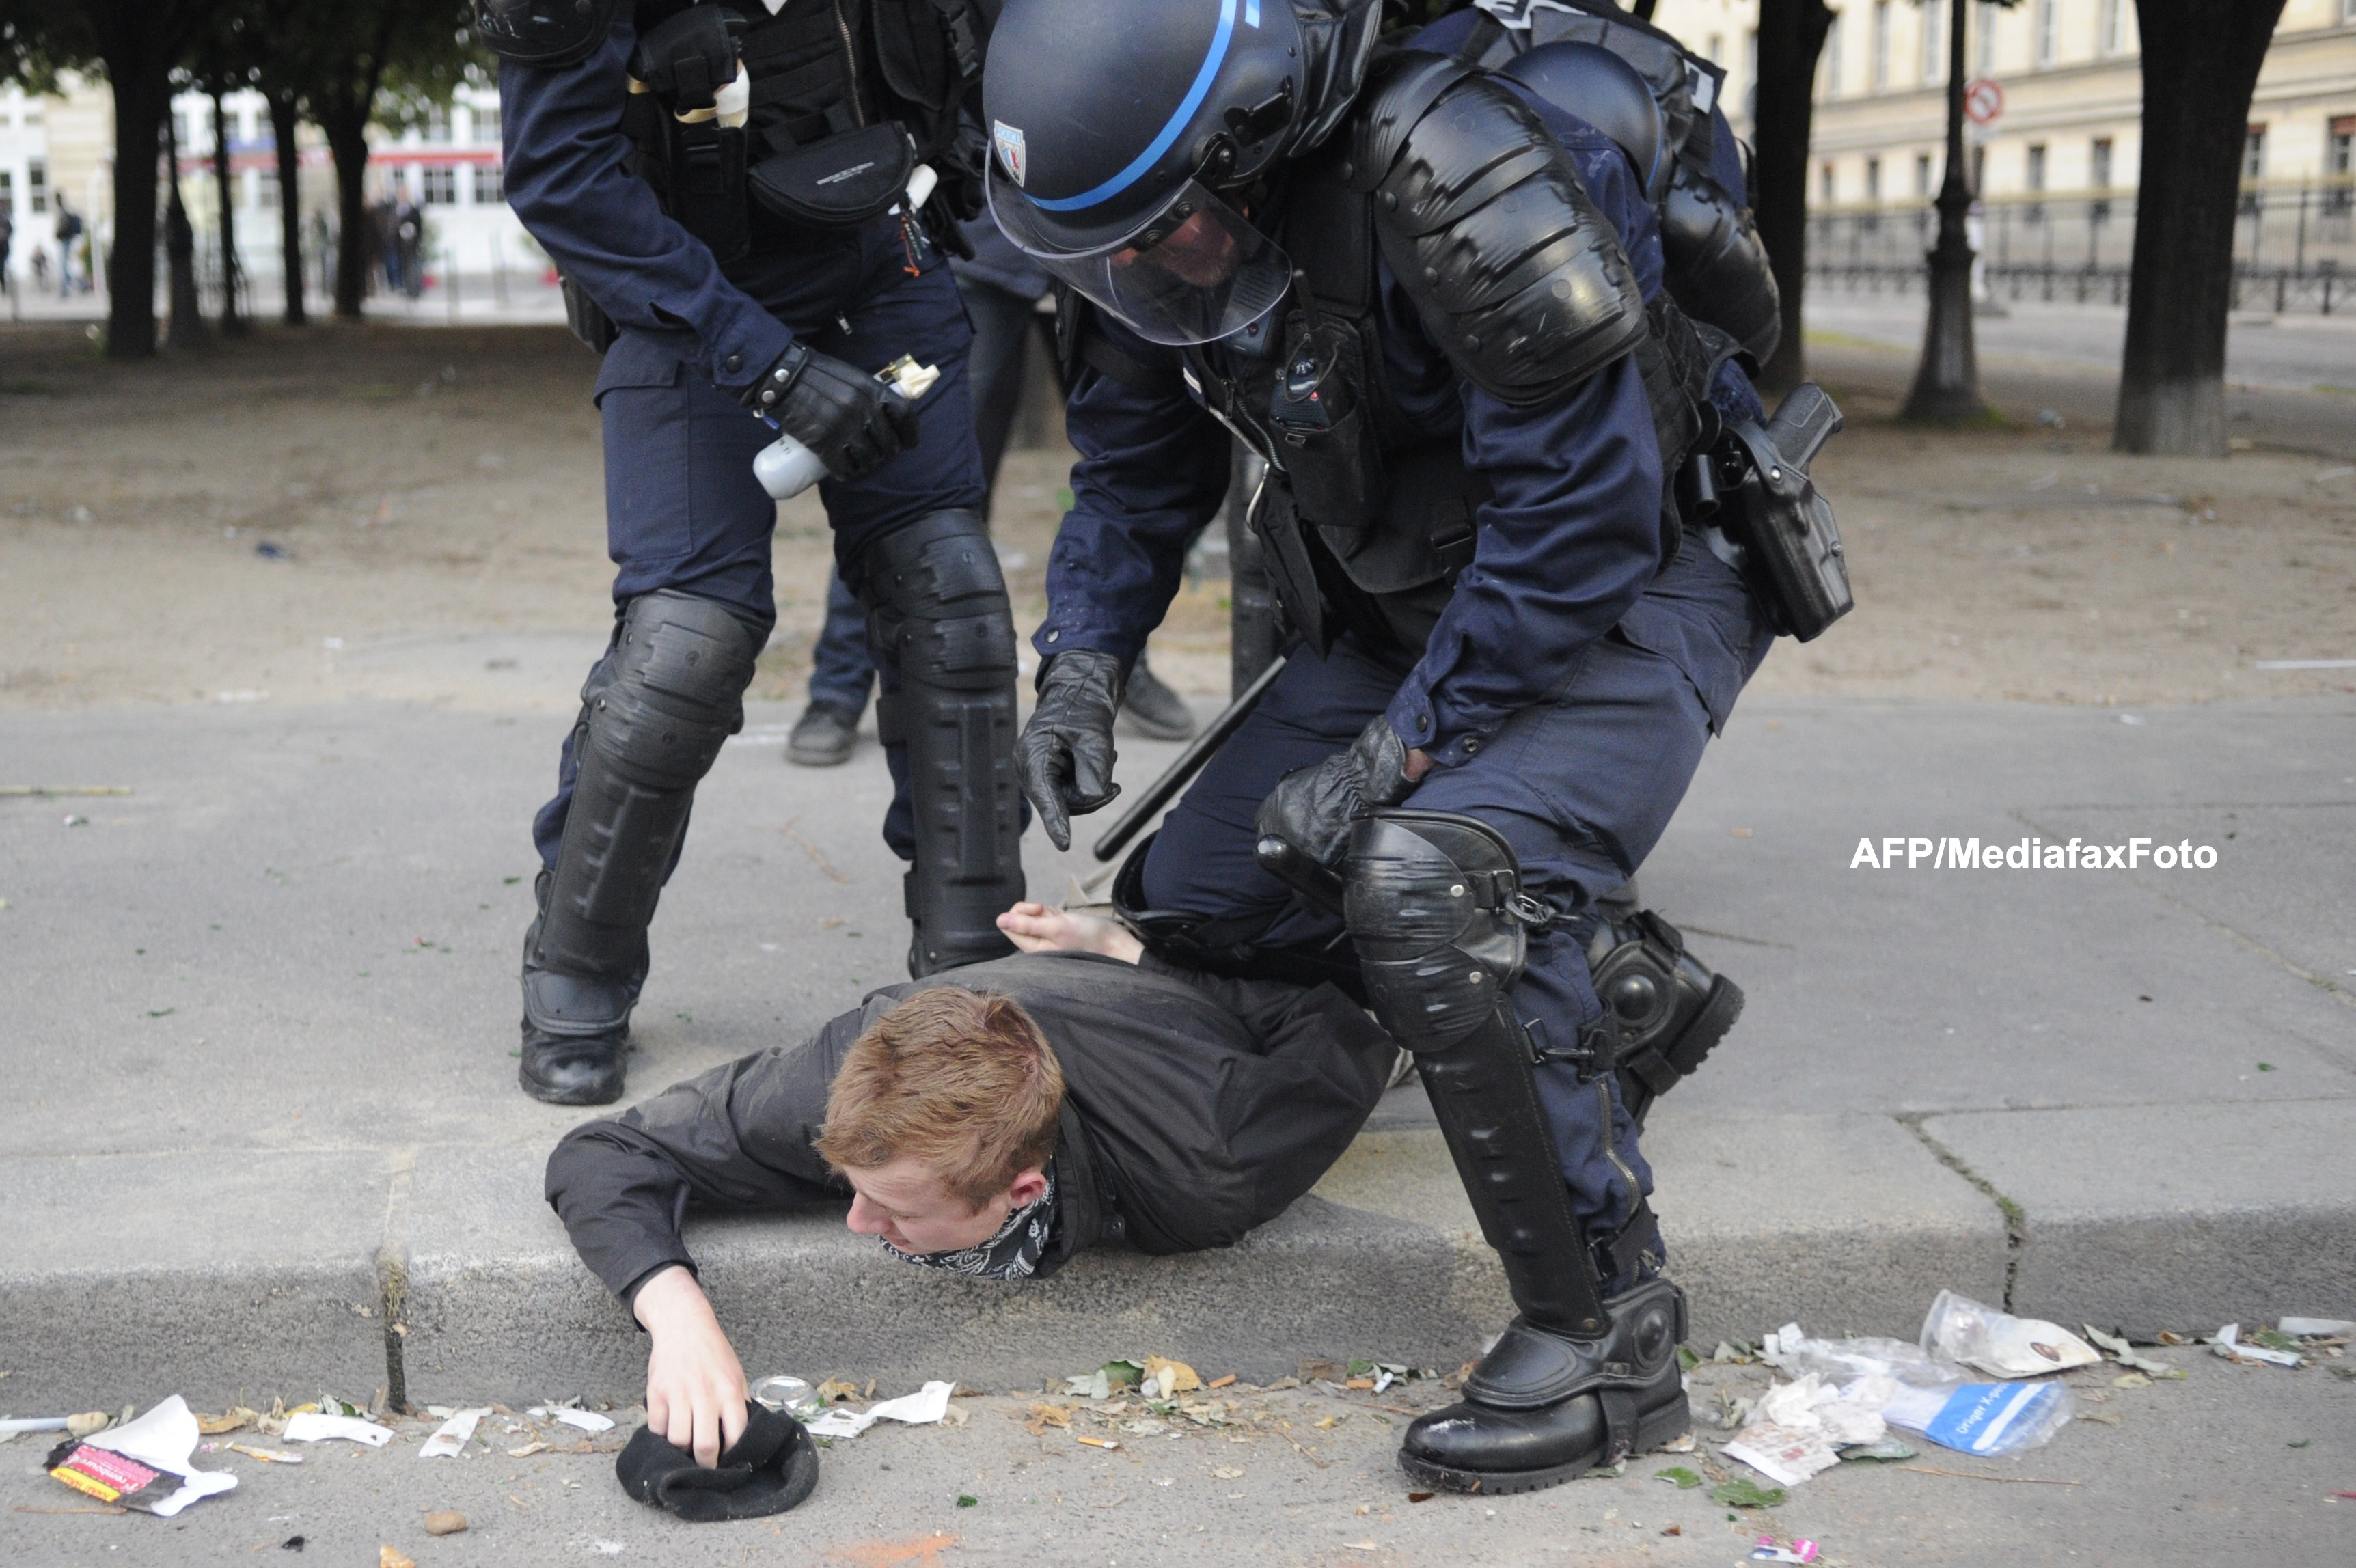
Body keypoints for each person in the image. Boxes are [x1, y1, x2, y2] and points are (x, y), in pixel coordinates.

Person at [987, 0, 1839, 1496]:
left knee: (1426, 875)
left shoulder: (1463, 170)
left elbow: (1577, 528)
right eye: (1107, 249)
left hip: (1633, 585)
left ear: (1249, 149)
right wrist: (1077, 667)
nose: (1138, 269)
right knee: (1215, 892)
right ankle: (1617, 1000)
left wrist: (1396, 756)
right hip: (1419, 601)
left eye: (1161, 232)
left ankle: (1607, 1333)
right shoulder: (1151, 229)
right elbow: (1129, 470)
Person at [482, 0, 1028, 1107]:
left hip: (883, 258)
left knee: (951, 596)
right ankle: (576, 969)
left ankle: (972, 967)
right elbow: (559, 179)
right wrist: (768, 367)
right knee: (686, 643)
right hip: (689, 288)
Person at [545, 900, 1395, 1474]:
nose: (854, 1221)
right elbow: (603, 1151)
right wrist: (678, 1318)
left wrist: (1134, 952)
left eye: (895, 1208)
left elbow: (1331, 1028)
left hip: (1163, 1014)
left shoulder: (1213, 1163)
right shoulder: (842, 1078)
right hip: (992, 996)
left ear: (1021, 1193)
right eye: (853, 1185)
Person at [784, 215, 1196, 767]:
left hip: (1105, 248)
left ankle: (1112, 665)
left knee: (1136, 464)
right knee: (911, 479)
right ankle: (838, 687)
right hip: (987, 244)